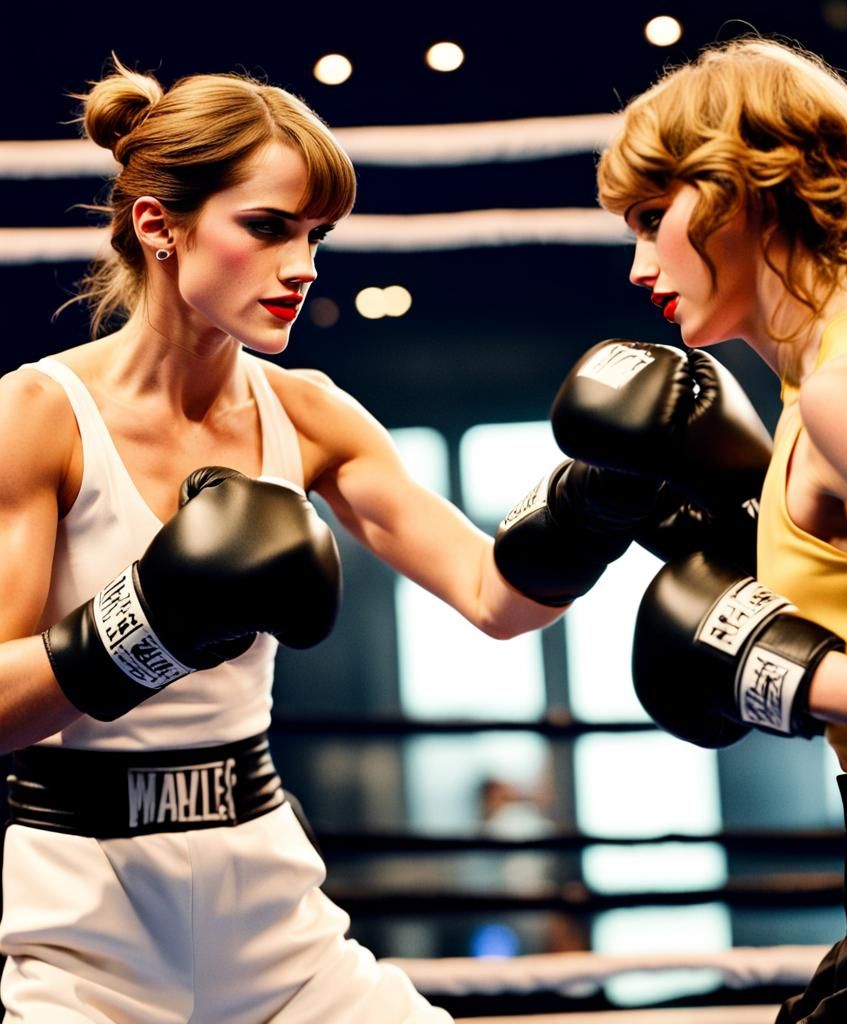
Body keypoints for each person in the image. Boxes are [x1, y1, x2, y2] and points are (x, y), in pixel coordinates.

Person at [0, 57, 663, 1022]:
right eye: (267, 229)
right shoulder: (39, 414)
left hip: (280, 930)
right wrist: (150, 624)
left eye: (315, 235)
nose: (302, 265)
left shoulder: (309, 416)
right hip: (87, 941)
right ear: (159, 226)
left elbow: (494, 597)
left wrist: (599, 498)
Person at [559, 36, 847, 1021]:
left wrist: (784, 671)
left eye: (654, 218)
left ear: (741, 192)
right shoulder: (818, 384)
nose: (641, 263)